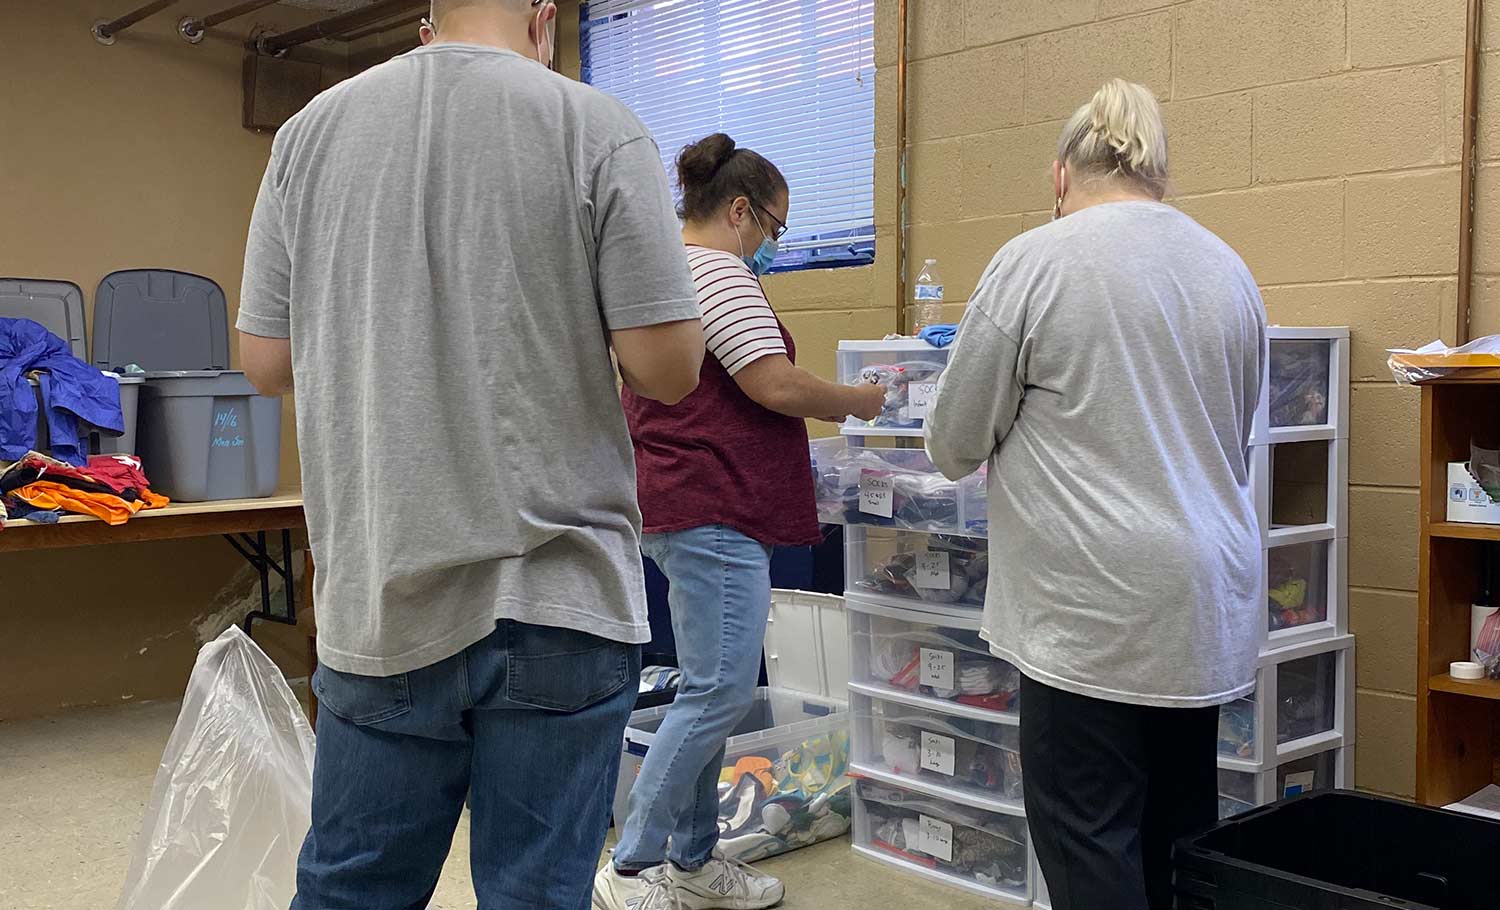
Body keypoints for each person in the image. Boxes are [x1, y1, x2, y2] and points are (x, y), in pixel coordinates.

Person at [235, 2, 707, 907]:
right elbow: (669, 368)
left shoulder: (307, 135)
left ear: (428, 18)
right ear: (541, 19)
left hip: (383, 593)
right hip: (560, 598)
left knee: (352, 890)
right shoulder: (595, 124)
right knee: (534, 894)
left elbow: (265, 361)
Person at [924, 79, 1265, 910]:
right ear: (1159, 175)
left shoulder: (1035, 262)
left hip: (1090, 612)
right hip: (1201, 607)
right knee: (1177, 840)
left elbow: (950, 443)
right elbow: (1231, 437)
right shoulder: (1229, 271)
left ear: (1059, 177)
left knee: (1087, 844)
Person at [592, 133, 885, 910]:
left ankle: (691, 862)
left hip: (686, 503)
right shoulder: (716, 272)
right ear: (739, 210)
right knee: (720, 691)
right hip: (709, 505)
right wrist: (859, 402)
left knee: (707, 688)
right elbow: (775, 386)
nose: (772, 249)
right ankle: (631, 868)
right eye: (775, 230)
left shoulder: (668, 268)